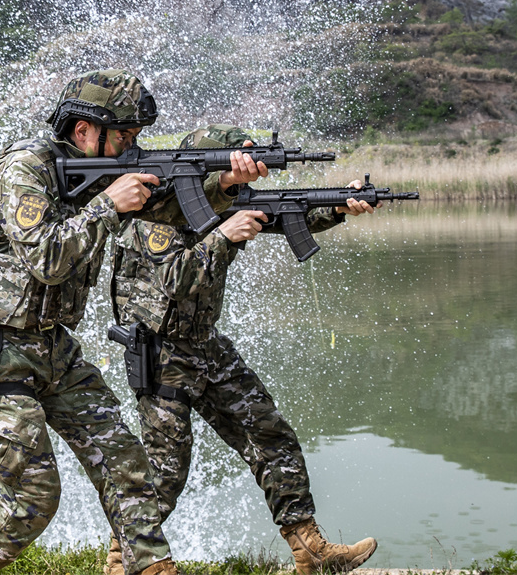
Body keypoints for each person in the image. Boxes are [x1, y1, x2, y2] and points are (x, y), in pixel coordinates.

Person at [0, 71, 264, 575]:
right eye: (125, 136)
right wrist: (110, 204)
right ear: (86, 129)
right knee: (33, 496)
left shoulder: (95, 170)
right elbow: (46, 257)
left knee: (126, 464)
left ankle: (150, 568)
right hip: (0, 349)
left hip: (53, 345)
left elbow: (170, 211)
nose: (132, 148)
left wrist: (223, 184)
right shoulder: (25, 168)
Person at [106, 124, 379, 575]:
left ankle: (309, 549)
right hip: (161, 351)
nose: (237, 178)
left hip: (206, 344)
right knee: (165, 471)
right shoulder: (154, 210)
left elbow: (288, 213)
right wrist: (225, 235)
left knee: (270, 435)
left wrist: (338, 205)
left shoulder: (229, 203)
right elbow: (175, 281)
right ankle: (124, 563)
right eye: (226, 169)